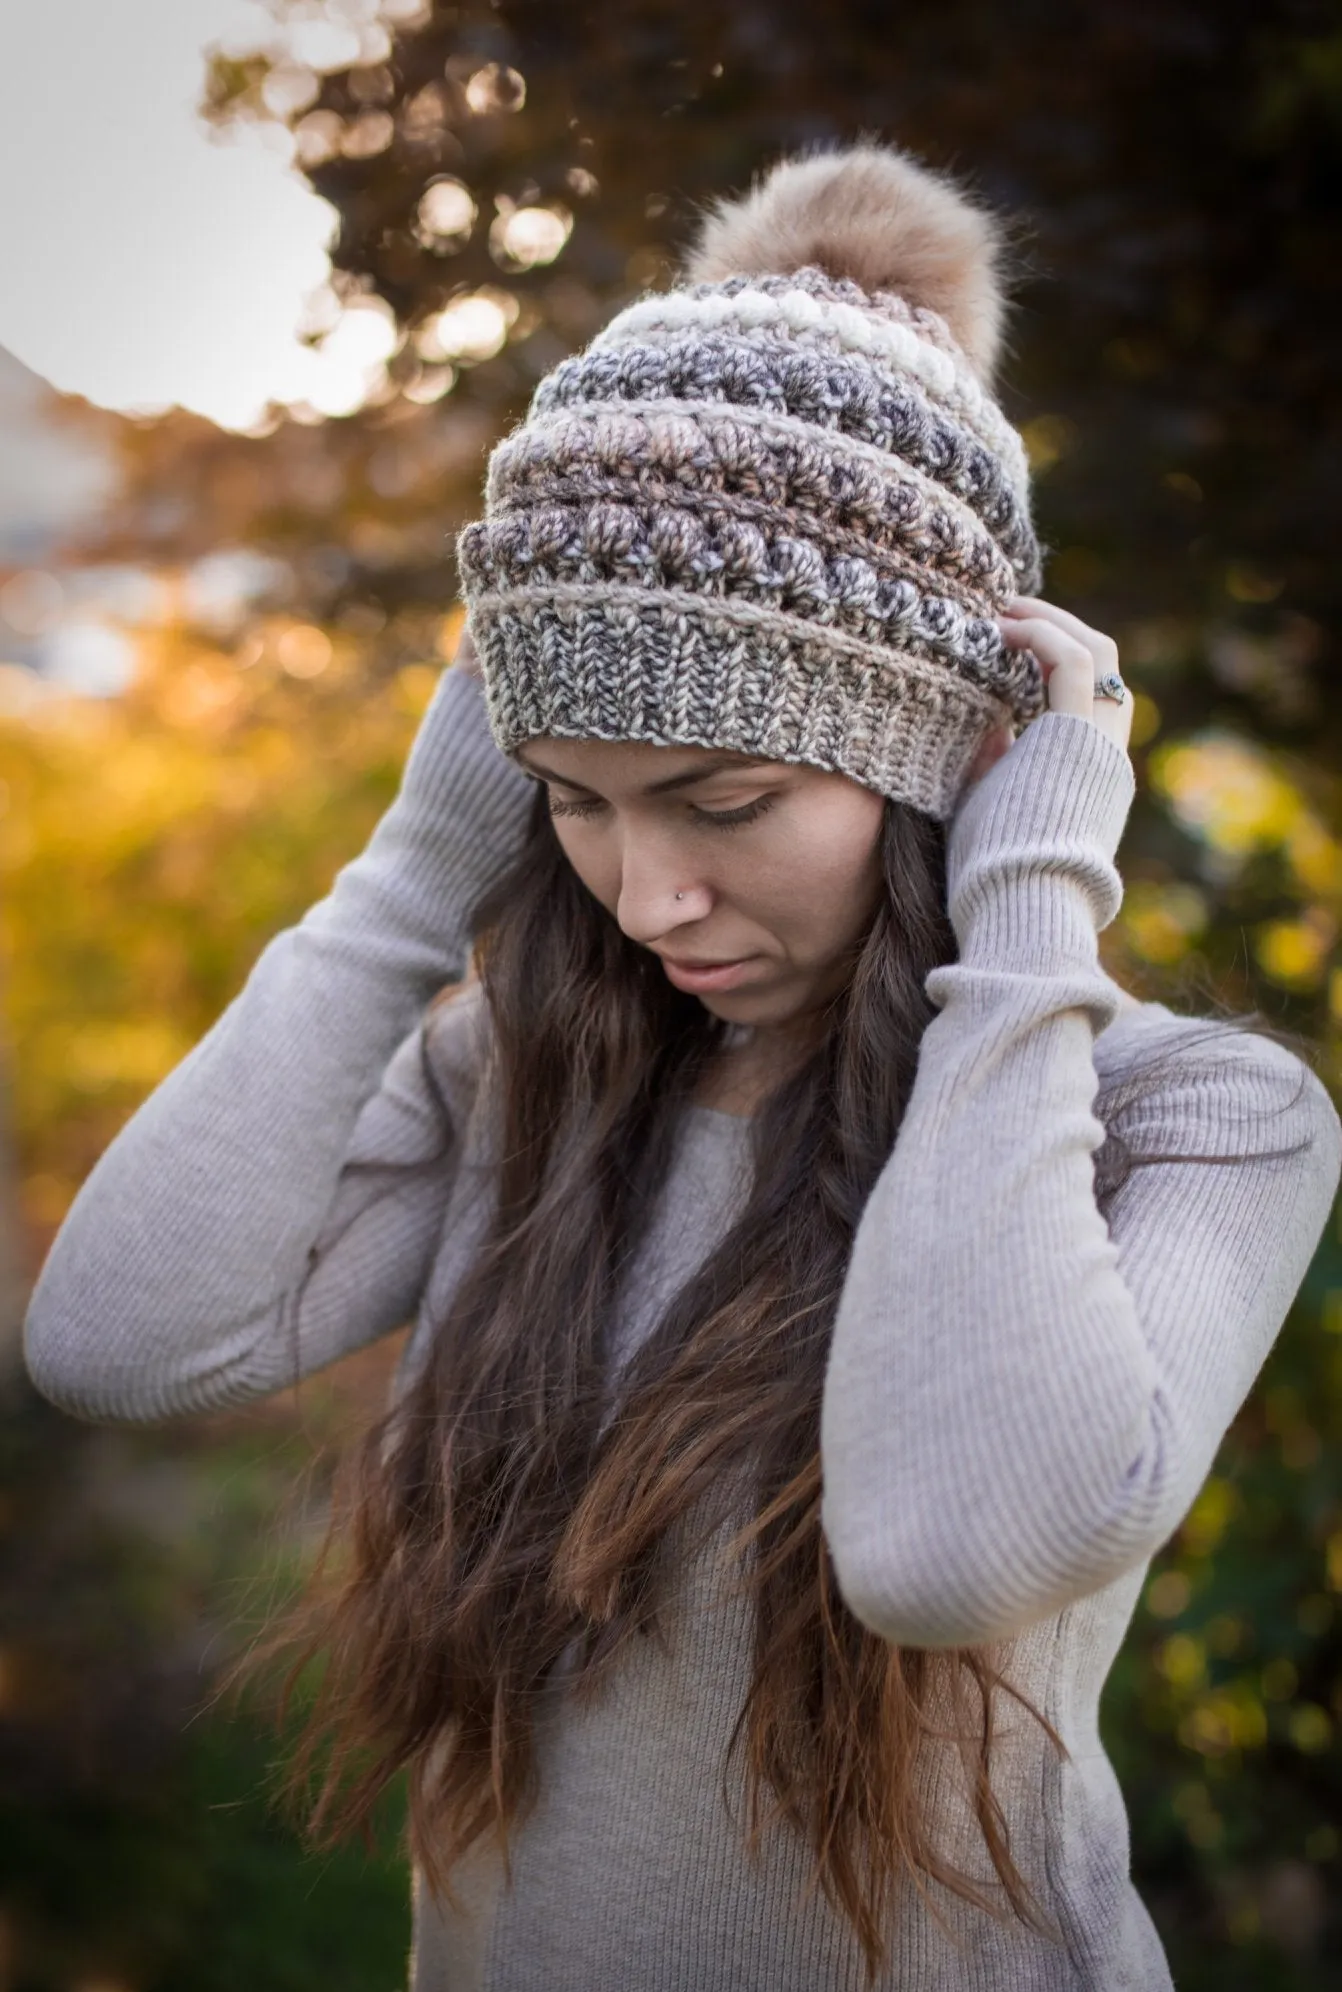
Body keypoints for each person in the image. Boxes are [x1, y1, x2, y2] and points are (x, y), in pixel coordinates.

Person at [24, 141, 1341, 1992]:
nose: (650, 895)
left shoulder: (1193, 1123)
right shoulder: (527, 1082)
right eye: (573, 801)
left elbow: (945, 1556)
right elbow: (117, 1341)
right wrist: (418, 868)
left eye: (726, 803)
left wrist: (1028, 888)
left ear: (945, 753)